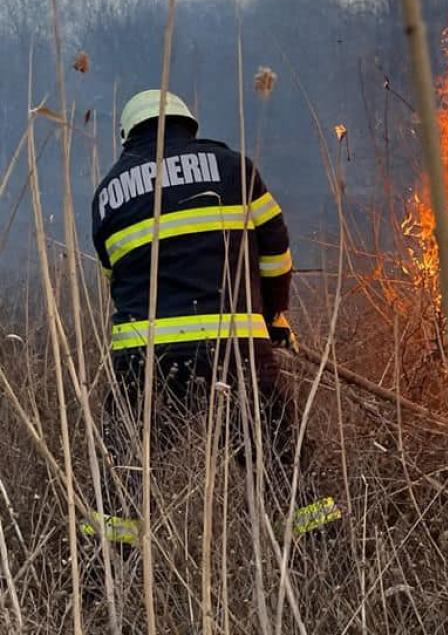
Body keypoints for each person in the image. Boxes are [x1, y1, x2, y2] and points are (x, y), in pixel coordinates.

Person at [84, 89, 340, 546]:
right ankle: (318, 559)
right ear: (189, 125)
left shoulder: (107, 195)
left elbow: (114, 278)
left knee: (124, 471)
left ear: (127, 137)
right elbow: (276, 251)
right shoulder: (234, 169)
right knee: (279, 459)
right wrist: (274, 317)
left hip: (145, 361)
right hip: (236, 349)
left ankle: (101, 578)